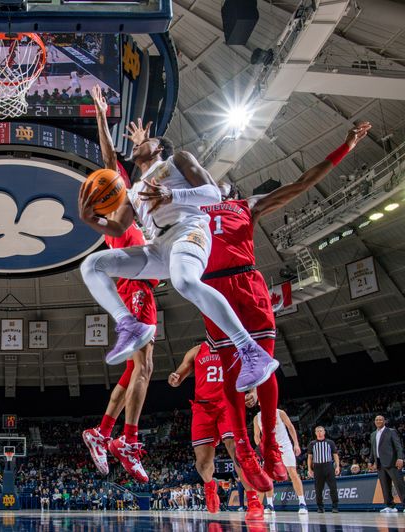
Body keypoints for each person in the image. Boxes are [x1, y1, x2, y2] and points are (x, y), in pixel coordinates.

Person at [198, 121, 371, 494]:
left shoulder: (248, 206)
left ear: (230, 190)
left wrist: (345, 147)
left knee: (264, 366)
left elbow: (303, 183)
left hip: (246, 282)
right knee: (230, 372)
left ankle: (270, 447)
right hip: (214, 289)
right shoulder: (191, 210)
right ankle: (243, 449)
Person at [79, 85, 278, 398]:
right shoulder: (133, 191)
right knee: (93, 265)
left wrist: (174, 193)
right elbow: (116, 226)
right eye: (135, 139)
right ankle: (130, 325)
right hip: (160, 246)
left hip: (190, 229)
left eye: (145, 138)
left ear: (159, 149)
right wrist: (92, 218)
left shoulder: (177, 162)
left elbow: (214, 194)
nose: (137, 140)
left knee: (185, 281)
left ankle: (251, 351)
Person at [82, 222, 157, 482]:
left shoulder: (133, 222)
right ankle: (128, 439)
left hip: (140, 287)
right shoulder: (120, 216)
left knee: (135, 368)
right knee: (144, 367)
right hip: (136, 285)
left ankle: (101, 433)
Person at [168, 343, 259, 516]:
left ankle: (253, 501)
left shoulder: (236, 347)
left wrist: (253, 391)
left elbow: (253, 369)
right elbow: (179, 373)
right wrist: (175, 378)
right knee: (203, 463)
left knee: (237, 451)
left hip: (229, 404)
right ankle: (210, 485)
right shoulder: (196, 351)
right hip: (203, 408)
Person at [252, 406, 307, 515]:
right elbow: (256, 436)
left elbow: (290, 427)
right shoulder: (257, 417)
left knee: (292, 473)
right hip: (270, 450)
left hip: (285, 446)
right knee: (268, 477)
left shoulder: (279, 412)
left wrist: (296, 444)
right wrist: (262, 448)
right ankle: (270, 505)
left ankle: (302, 503)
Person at [368, 414, 405, 513]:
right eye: (376, 420)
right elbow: (373, 449)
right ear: (374, 422)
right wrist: (370, 461)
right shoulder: (373, 434)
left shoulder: (391, 431)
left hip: (393, 462)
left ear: (384, 421)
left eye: (380, 419)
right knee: (385, 486)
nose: (378, 421)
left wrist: (400, 458)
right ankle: (390, 506)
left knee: (399, 485)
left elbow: (398, 446)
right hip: (380, 464)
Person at [307, 426, 340, 513]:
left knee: (333, 487)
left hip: (328, 466)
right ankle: (320, 507)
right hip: (317, 467)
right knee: (318, 489)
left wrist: (337, 466)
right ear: (315, 433)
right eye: (317, 431)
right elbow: (309, 457)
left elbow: (335, 455)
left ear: (324, 432)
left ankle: (335, 506)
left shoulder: (330, 442)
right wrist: (309, 469)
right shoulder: (312, 444)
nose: (319, 432)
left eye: (321, 431)